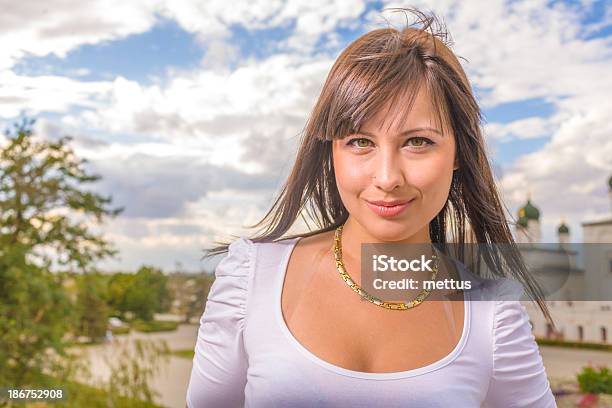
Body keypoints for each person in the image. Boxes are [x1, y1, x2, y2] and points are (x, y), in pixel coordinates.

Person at [186, 7, 557, 408]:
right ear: (331, 152)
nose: (387, 177)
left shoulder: (492, 315)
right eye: (360, 141)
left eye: (418, 141)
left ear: (458, 154)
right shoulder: (251, 278)